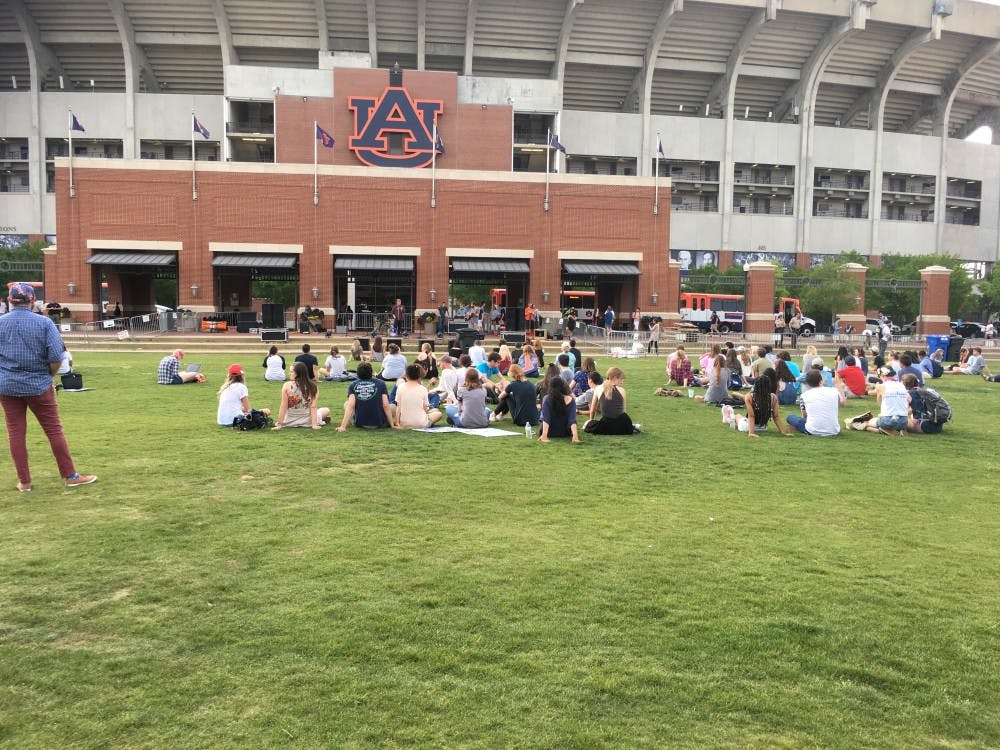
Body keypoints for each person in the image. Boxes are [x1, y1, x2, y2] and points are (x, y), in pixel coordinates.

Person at [0, 282, 97, 491]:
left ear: (10, 300)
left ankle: (24, 482)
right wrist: (48, 376)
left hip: (7, 387)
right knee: (54, 431)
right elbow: (56, 358)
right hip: (38, 385)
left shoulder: (1, 323)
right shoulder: (44, 324)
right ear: (32, 300)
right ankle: (70, 475)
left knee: (15, 433)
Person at [786, 369, 845, 436]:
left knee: (790, 417)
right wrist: (838, 384)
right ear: (821, 380)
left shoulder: (804, 395)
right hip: (834, 430)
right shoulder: (833, 391)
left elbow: (805, 415)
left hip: (813, 430)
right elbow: (842, 402)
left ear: (807, 383)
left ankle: (797, 427)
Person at [730, 371, 789, 437]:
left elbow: (751, 416)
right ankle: (735, 422)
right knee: (742, 418)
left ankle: (732, 419)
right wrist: (783, 432)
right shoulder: (773, 397)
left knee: (737, 415)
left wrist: (751, 433)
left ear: (756, 385)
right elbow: (776, 416)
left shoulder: (749, 397)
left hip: (747, 427)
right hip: (763, 428)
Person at [338, 362, 394, 431]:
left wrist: (343, 426)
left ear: (358, 373)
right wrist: (392, 425)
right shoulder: (381, 383)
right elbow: (385, 405)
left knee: (347, 404)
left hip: (360, 423)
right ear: (371, 372)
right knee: (392, 406)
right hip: (379, 423)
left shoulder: (353, 384)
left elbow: (350, 406)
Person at [273, 362, 330, 429]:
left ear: (298, 373)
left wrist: (279, 424)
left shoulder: (286, 386)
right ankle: (322, 419)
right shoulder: (313, 386)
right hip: (307, 420)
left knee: (323, 410)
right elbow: (313, 407)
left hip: (289, 420)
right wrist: (314, 425)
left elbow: (283, 406)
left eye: (291, 372)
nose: (289, 373)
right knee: (326, 410)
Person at [583, 366, 639, 434]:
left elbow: (592, 410)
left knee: (587, 425)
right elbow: (623, 411)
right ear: (615, 378)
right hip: (624, 426)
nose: (622, 382)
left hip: (606, 425)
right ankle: (632, 426)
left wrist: (591, 421)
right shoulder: (622, 390)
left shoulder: (598, 388)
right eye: (621, 379)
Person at [394, 364, 443, 429]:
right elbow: (425, 408)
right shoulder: (423, 389)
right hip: (421, 424)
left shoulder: (400, 387)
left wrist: (397, 422)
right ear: (419, 376)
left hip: (404, 423)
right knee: (438, 414)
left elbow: (398, 406)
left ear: (406, 375)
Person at [539, 377, 580, 443]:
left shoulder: (547, 399)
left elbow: (546, 419)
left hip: (550, 432)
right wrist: (575, 436)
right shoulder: (571, 400)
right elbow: (572, 420)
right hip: (565, 432)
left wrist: (544, 436)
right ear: (563, 387)